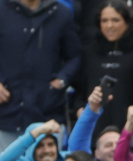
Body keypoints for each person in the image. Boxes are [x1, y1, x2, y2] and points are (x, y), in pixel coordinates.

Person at [0, 0, 81, 150]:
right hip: (6, 116)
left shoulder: (60, 13)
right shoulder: (2, 10)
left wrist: (61, 80)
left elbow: (75, 56)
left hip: (47, 114)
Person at [75, 0, 133, 132]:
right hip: (94, 128)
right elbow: (79, 88)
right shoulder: (90, 52)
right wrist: (79, 108)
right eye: (104, 20)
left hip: (130, 129)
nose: (109, 25)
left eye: (115, 20)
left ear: (127, 22)